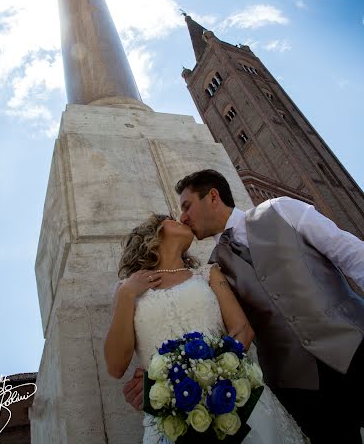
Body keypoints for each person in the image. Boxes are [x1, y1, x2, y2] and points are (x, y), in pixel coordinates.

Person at [124, 169, 364, 444]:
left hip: (355, 343)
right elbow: (210, 331)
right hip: (299, 389)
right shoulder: (212, 271)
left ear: (213, 196)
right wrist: (162, 373)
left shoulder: (281, 210)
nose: (183, 217)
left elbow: (351, 254)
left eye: (187, 206)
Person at [105, 213, 307, 443]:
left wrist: (213, 377)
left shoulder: (208, 273)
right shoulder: (126, 290)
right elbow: (115, 366)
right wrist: (127, 294)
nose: (182, 218)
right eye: (172, 218)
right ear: (154, 232)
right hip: (173, 417)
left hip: (233, 398)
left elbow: (242, 330)